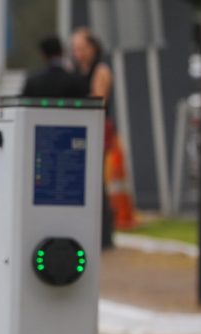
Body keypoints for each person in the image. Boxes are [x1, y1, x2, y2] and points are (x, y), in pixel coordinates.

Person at [71, 27, 115, 249]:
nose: (78, 54)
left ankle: (104, 234)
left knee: (97, 181)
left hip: (97, 130)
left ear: (93, 48)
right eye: (75, 49)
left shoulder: (101, 71)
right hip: (80, 131)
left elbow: (97, 101)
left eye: (81, 49)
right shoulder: (77, 71)